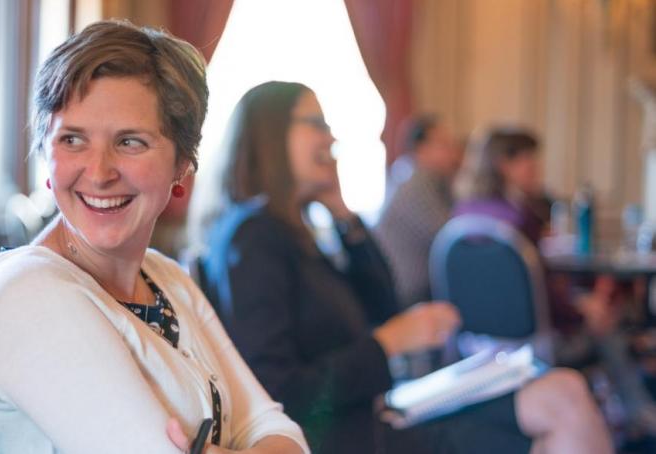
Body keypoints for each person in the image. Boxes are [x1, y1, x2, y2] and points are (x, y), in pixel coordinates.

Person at [189, 81, 613, 454]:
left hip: (372, 414)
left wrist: (342, 213)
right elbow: (280, 391)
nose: (330, 135)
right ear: (270, 133)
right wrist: (387, 344)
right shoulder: (254, 238)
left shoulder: (296, 230)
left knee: (563, 392)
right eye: (315, 122)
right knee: (560, 407)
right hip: (342, 436)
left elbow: (384, 302)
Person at [0, 21, 308, 454]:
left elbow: (277, 428)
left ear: (182, 164)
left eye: (130, 141)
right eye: (73, 139)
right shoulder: (26, 294)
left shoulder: (166, 277)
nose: (99, 172)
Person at [455, 127, 656, 435]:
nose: (537, 171)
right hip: (533, 341)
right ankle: (637, 410)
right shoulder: (517, 219)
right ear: (504, 165)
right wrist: (582, 312)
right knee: (607, 322)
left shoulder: (463, 214)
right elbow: (541, 298)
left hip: (476, 341)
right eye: (530, 164)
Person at [376, 114, 463, 308]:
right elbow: (448, 237)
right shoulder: (417, 183)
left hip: (414, 288)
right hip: (409, 293)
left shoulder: (415, 176)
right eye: (444, 144)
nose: (453, 152)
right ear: (421, 149)